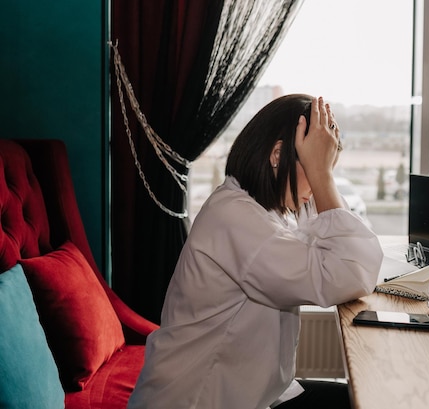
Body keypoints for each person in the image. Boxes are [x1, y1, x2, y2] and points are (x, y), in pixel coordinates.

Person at [127, 94, 384, 409]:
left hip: (250, 394)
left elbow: (338, 243)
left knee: (358, 398)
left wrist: (317, 163)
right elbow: (347, 271)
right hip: (195, 399)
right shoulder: (235, 218)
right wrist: (322, 175)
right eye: (316, 164)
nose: (314, 188)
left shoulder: (268, 209)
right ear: (277, 155)